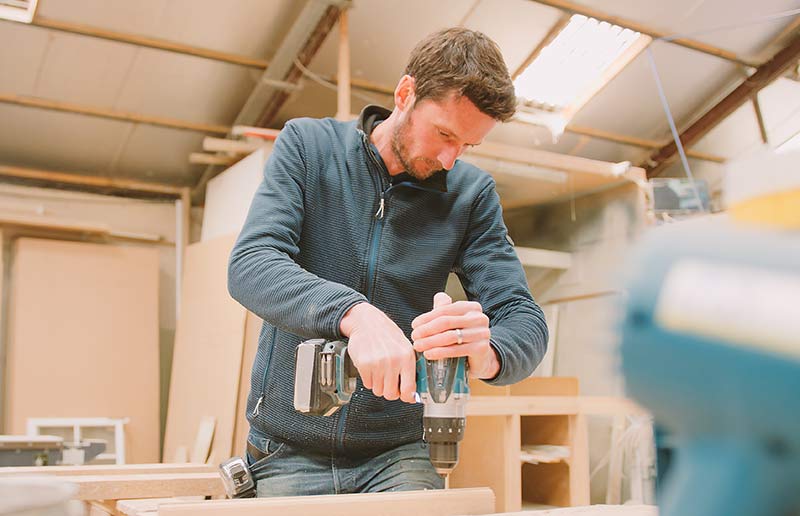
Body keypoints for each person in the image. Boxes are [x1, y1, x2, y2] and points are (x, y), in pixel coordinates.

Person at [228, 27, 548, 497]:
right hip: (286, 449)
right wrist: (353, 314)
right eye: (443, 134)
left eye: (467, 146)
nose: (449, 158)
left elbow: (525, 320)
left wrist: (487, 353)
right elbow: (252, 263)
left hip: (398, 454)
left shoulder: (470, 197)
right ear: (405, 93)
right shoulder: (308, 148)